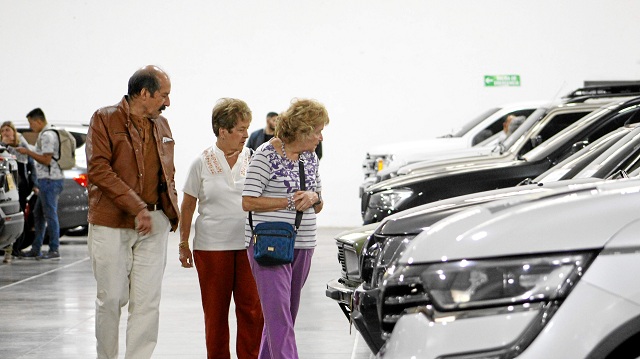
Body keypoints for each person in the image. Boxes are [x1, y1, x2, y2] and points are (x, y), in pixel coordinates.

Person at [85, 65, 180, 359]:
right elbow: (99, 170)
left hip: (154, 224)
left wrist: (169, 213)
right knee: (111, 299)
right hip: (111, 223)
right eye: (164, 95)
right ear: (144, 93)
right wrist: (136, 206)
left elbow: (168, 171)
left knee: (147, 302)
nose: (168, 102)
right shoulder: (104, 118)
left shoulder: (162, 125)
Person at [242, 98, 329, 358]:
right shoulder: (265, 155)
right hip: (270, 243)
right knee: (279, 317)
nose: (321, 137)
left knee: (284, 316)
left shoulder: (311, 157)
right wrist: (290, 201)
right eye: (317, 130)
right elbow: (247, 201)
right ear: (302, 130)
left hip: (304, 243)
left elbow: (319, 201)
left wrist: (313, 198)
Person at [179, 98, 263, 359]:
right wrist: (183, 243)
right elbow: (188, 205)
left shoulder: (255, 159)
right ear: (222, 130)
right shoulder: (200, 162)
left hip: (249, 245)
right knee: (215, 314)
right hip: (212, 248)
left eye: (247, 127)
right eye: (240, 128)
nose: (246, 134)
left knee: (252, 311)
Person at [16, 108, 63, 260]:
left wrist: (28, 152)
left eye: (31, 123)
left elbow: (46, 159)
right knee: (39, 214)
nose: (31, 127)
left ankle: (54, 249)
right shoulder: (47, 133)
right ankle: (37, 248)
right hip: (47, 180)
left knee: (50, 215)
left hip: (50, 180)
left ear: (38, 121)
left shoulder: (47, 136)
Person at [0, 121, 38, 263]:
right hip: (8, 188)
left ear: (14, 131)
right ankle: (10, 249)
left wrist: (35, 184)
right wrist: (4, 145)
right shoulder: (3, 148)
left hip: (21, 186)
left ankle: (15, 248)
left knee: (20, 215)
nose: (5, 133)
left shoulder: (22, 144)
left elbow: (31, 165)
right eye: (3, 130)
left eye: (8, 130)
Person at [248, 111, 323, 159]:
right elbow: (249, 152)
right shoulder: (256, 135)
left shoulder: (281, 136)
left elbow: (318, 154)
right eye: (274, 120)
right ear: (268, 121)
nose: (276, 123)